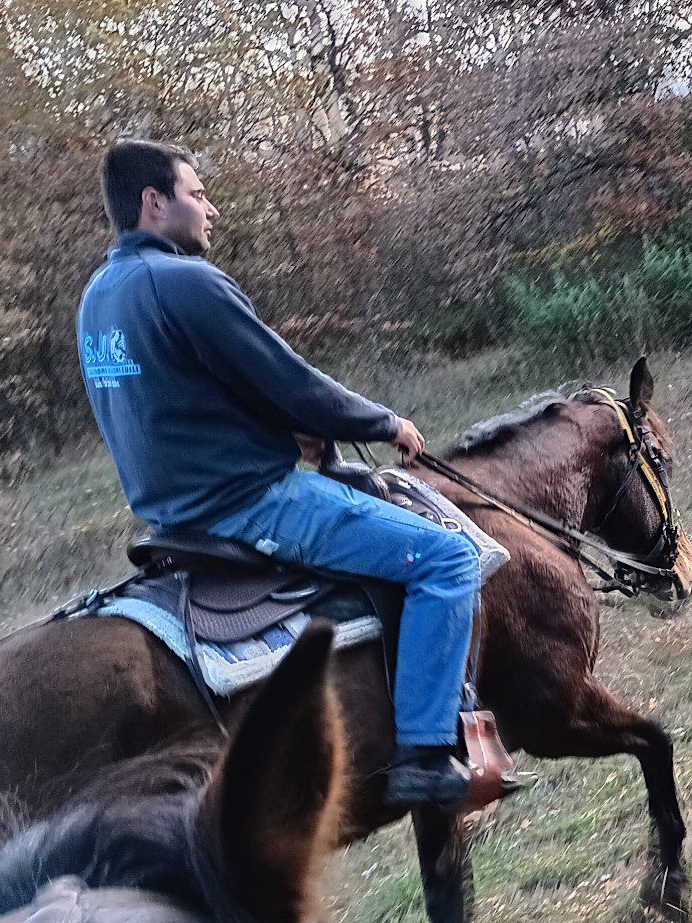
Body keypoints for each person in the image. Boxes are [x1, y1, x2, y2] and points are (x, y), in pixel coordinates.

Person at [77, 139, 475, 807]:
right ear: (154, 203)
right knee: (447, 560)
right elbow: (287, 378)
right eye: (197, 194)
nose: (212, 210)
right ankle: (425, 755)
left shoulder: (97, 299)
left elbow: (184, 395)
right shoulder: (185, 281)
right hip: (252, 503)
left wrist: (285, 430)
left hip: (171, 515)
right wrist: (382, 423)